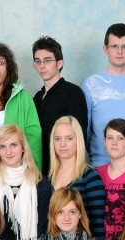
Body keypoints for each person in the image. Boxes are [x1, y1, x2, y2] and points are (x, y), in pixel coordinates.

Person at [82, 23, 125, 166]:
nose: (119, 51)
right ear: (105, 49)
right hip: (100, 165)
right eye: (114, 46)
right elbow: (86, 130)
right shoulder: (91, 84)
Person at [31, 36, 88, 174]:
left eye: (47, 60)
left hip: (64, 171)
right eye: (38, 61)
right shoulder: (37, 98)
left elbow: (80, 137)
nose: (42, 66)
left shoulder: (73, 93)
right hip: (40, 170)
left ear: (59, 63)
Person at [48, 116, 106, 240]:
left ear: (78, 140)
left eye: (69, 138)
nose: (62, 144)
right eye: (57, 139)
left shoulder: (90, 175)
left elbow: (98, 225)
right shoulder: (49, 178)